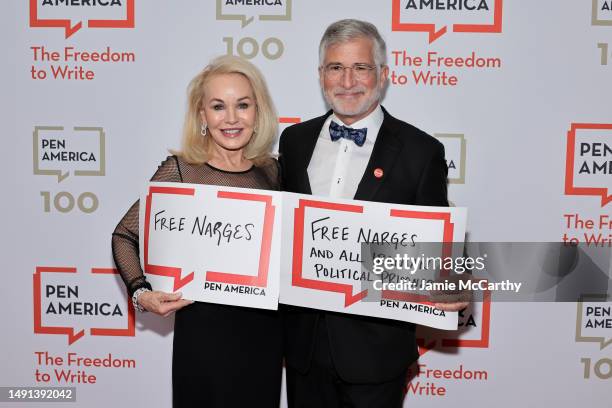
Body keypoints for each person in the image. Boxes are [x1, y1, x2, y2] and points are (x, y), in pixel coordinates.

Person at [278, 19, 468, 407]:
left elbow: (437, 246)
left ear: (382, 75)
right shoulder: (293, 141)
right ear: (321, 76)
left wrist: (455, 279)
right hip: (304, 351)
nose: (347, 80)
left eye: (360, 67)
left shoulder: (421, 152)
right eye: (336, 68)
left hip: (377, 355)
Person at [111, 55, 282, 408]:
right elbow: (124, 236)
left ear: (258, 111)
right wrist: (141, 293)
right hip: (203, 337)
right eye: (218, 106)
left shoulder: (275, 173)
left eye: (243, 105)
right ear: (202, 115)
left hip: (264, 336)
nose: (231, 118)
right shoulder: (181, 171)